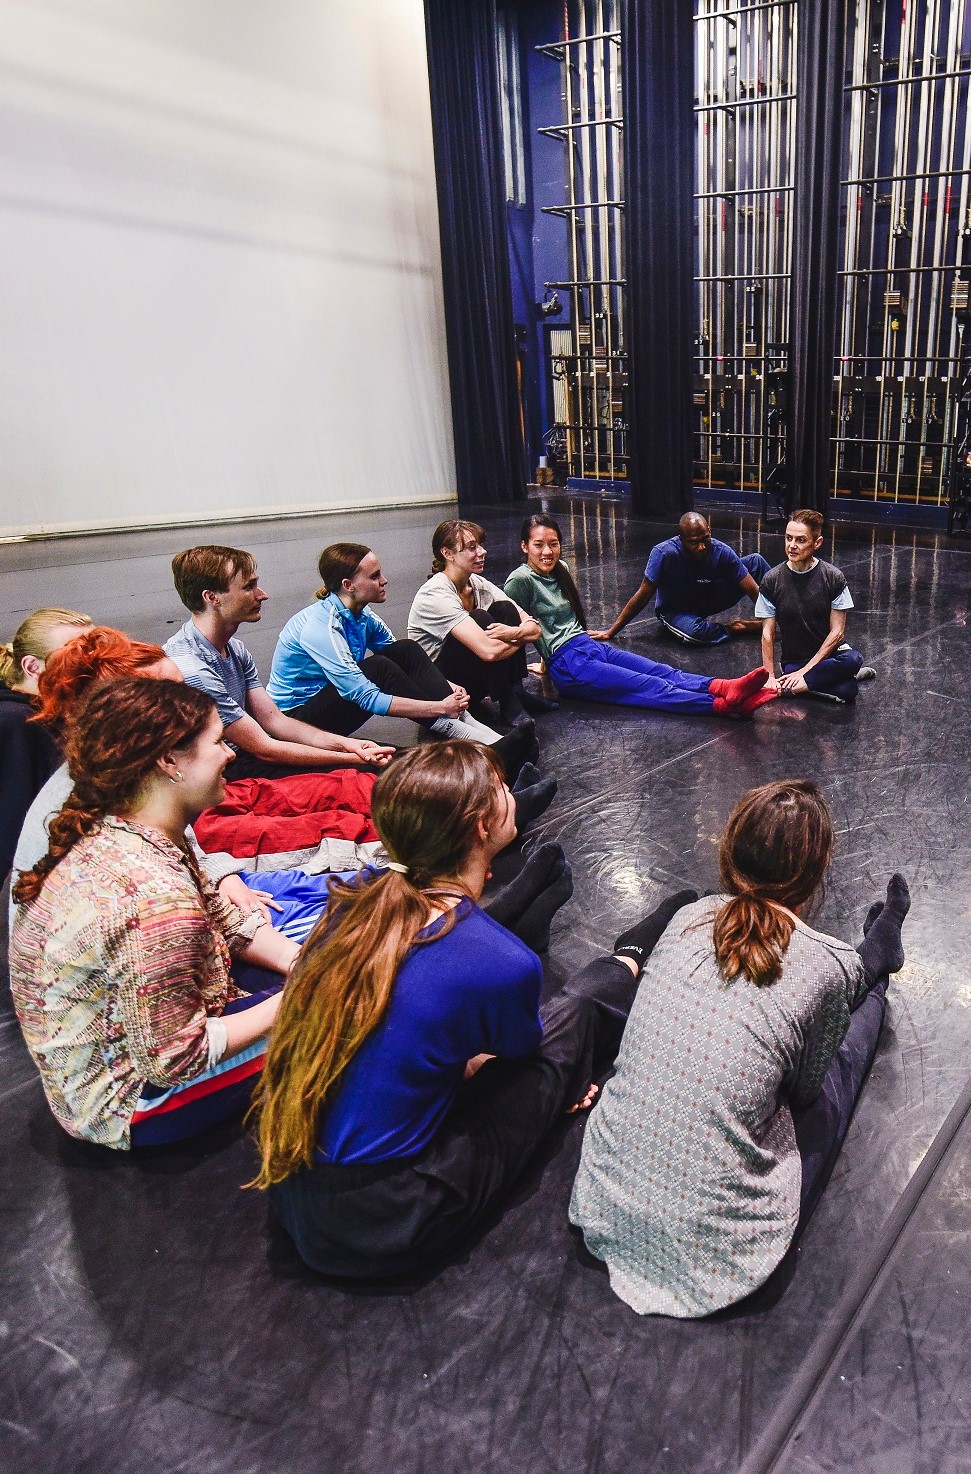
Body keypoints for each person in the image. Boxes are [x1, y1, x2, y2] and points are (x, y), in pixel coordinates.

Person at [251, 740, 697, 1280]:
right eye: (504, 791)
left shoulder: (357, 900)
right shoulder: (501, 962)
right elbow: (514, 1056)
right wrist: (543, 1084)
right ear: (482, 827)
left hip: (291, 1188)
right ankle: (633, 954)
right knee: (571, 1019)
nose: (513, 795)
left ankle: (528, 910)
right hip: (388, 1220)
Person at [570, 779, 910, 1317]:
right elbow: (804, 1090)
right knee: (840, 1063)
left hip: (605, 1204)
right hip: (716, 1254)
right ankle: (876, 965)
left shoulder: (686, 918)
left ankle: (872, 964)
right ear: (817, 874)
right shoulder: (823, 963)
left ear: (728, 851)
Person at [9, 679, 300, 1149]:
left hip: (111, 1058)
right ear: (168, 761)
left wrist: (303, 963)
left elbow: (225, 918)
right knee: (350, 1014)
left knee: (325, 970)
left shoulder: (131, 823)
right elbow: (174, 1061)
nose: (230, 753)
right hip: (128, 1104)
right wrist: (308, 992)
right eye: (217, 742)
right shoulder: (155, 897)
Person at [8, 629, 356, 940]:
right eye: (171, 691)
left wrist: (221, 876)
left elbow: (194, 864)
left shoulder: (128, 781)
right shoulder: (137, 872)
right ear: (133, 712)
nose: (187, 699)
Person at [268, 542, 535, 773]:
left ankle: (482, 734)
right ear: (348, 585)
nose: (384, 580)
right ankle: (476, 738)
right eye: (374, 577)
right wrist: (439, 707)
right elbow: (365, 696)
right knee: (378, 668)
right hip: (296, 722)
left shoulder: (361, 615)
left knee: (403, 649)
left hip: (327, 702)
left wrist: (444, 685)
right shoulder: (322, 626)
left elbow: (405, 659)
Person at [501, 515, 775, 718]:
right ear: (524, 546)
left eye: (553, 544)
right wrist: (539, 668)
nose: (547, 552)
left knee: (662, 671)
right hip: (569, 664)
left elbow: (557, 620)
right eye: (539, 545)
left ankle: (723, 686)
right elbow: (520, 628)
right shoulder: (520, 580)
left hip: (587, 646)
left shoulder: (560, 568)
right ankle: (725, 706)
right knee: (651, 687)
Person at [165, 545, 394, 781]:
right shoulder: (193, 670)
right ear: (212, 598)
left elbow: (275, 721)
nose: (262, 594)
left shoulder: (235, 649)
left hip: (248, 755)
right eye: (249, 587)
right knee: (368, 773)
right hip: (223, 774)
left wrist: (350, 745)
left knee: (389, 760)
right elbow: (265, 748)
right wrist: (354, 758)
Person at [406, 519, 542, 729]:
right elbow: (489, 652)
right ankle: (510, 700)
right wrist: (519, 637)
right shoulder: (435, 593)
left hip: (471, 684)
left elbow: (534, 627)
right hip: (442, 690)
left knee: (505, 609)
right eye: (472, 548)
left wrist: (515, 631)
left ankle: (516, 693)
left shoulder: (476, 583)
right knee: (480, 618)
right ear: (447, 554)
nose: (482, 552)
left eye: (480, 545)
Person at [1, 608, 91, 879]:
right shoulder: (15, 724)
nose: (90, 666)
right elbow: (13, 832)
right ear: (32, 667)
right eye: (74, 655)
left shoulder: (55, 714)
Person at [592, 512, 770, 647]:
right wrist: (611, 631)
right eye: (694, 542)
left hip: (708, 597)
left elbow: (753, 589)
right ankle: (739, 627)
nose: (701, 547)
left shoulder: (720, 550)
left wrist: (771, 621)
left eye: (705, 539)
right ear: (682, 540)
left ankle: (788, 616)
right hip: (676, 609)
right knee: (695, 634)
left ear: (709, 531)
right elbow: (642, 596)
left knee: (756, 562)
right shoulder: (663, 553)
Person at [757, 509, 877, 705]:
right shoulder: (771, 580)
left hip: (830, 656)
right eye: (788, 538)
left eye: (800, 540)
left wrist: (806, 673)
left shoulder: (833, 577)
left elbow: (837, 632)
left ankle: (806, 683)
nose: (792, 546)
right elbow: (767, 634)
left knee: (854, 658)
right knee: (848, 689)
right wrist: (769, 677)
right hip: (794, 661)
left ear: (817, 543)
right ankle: (837, 677)